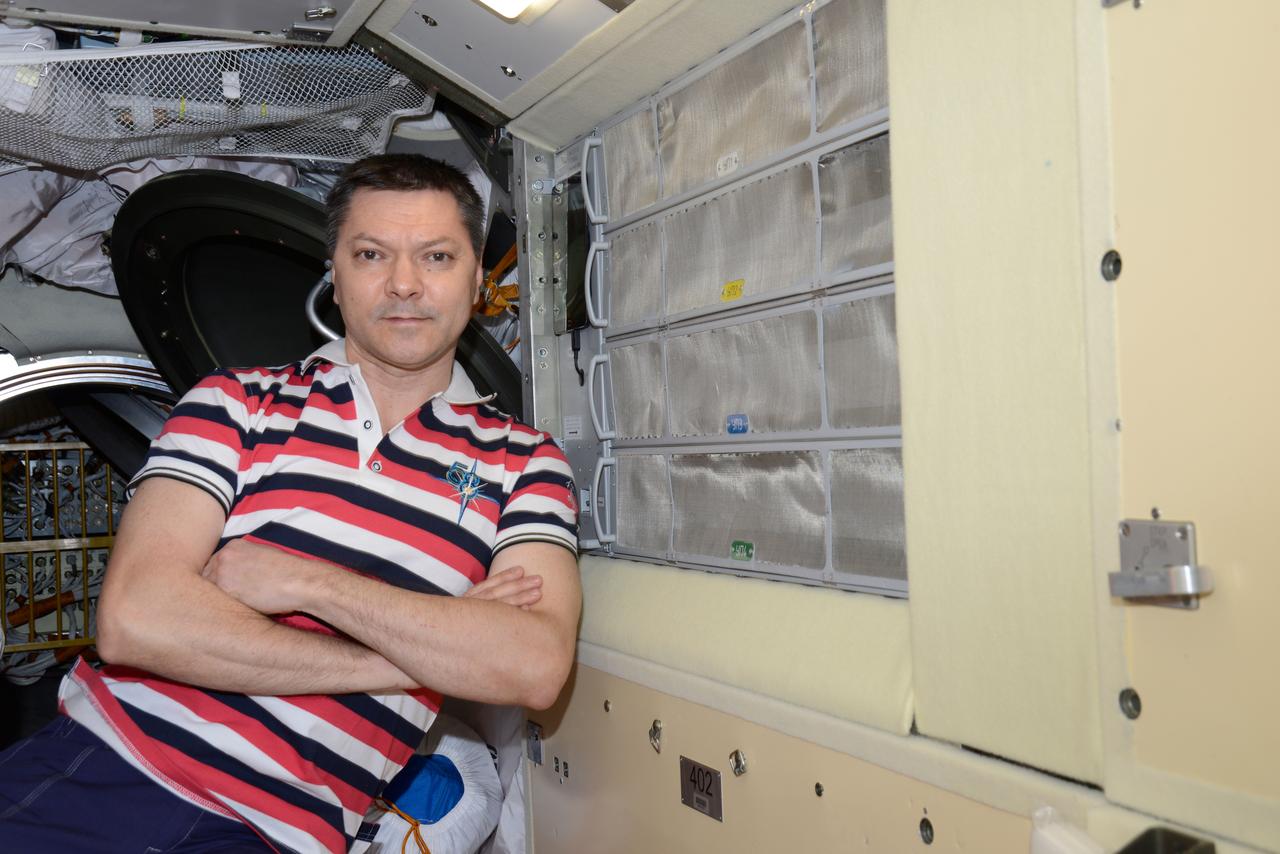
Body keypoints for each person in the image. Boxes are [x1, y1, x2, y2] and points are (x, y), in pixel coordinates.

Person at [0, 154, 581, 853]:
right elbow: (138, 620)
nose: (403, 283)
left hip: (285, 838)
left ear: (475, 279)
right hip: (101, 776)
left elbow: (531, 666)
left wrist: (302, 581)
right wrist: (427, 653)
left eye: (436, 255)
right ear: (333, 273)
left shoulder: (525, 459)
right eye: (371, 254)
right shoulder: (234, 400)